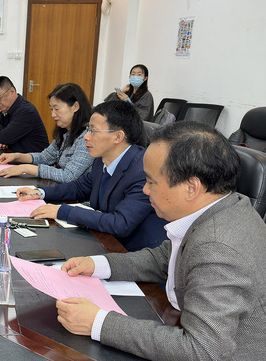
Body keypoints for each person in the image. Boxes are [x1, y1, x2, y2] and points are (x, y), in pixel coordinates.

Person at [55, 121, 266, 361]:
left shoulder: (218, 244)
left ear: (191, 187)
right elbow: (164, 259)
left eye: (151, 182)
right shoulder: (224, 206)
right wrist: (98, 264)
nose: (145, 190)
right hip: (217, 355)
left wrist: (99, 323)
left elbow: (203, 352)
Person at [17, 100, 166, 251]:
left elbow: (120, 223)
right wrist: (40, 192)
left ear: (118, 137)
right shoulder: (101, 160)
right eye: (88, 129)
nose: (86, 137)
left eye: (93, 130)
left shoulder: (142, 170)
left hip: (133, 252)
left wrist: (62, 211)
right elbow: (80, 187)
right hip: (104, 240)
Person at [0, 83, 93, 183]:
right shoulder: (65, 133)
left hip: (75, 192)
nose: (53, 114)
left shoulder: (86, 137)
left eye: (57, 109)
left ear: (75, 106)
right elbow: (44, 157)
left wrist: (25, 168)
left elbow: (68, 176)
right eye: (51, 109)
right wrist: (17, 156)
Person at [0, 76, 49, 153]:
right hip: (14, 155)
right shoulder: (6, 108)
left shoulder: (26, 111)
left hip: (34, 159)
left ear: (12, 92)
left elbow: (4, 138)